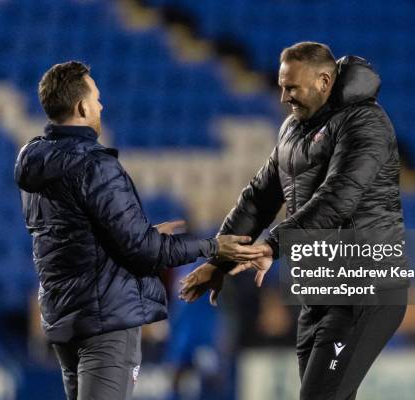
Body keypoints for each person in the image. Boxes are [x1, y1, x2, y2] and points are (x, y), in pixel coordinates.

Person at [14, 61, 263, 400]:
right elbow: (145, 252)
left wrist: (137, 235)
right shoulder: (96, 165)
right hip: (105, 321)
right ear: (82, 106)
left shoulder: (34, 162)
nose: (101, 106)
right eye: (97, 99)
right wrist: (213, 247)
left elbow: (73, 237)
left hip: (65, 316)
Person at [180, 42, 408, 400]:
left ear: (323, 81)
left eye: (292, 87)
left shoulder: (366, 123)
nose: (284, 96)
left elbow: (338, 198)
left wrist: (273, 244)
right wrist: (220, 262)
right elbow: (259, 198)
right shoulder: (291, 130)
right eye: (281, 85)